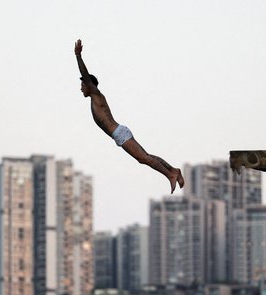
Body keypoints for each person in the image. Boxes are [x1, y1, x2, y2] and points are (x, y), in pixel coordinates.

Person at [74, 39, 184, 194]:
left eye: (82, 85)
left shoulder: (96, 95)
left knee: (144, 158)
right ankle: (174, 170)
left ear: (89, 85)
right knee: (146, 156)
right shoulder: (94, 99)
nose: (81, 89)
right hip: (119, 133)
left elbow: (85, 75)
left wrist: (78, 56)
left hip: (119, 133)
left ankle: (170, 175)